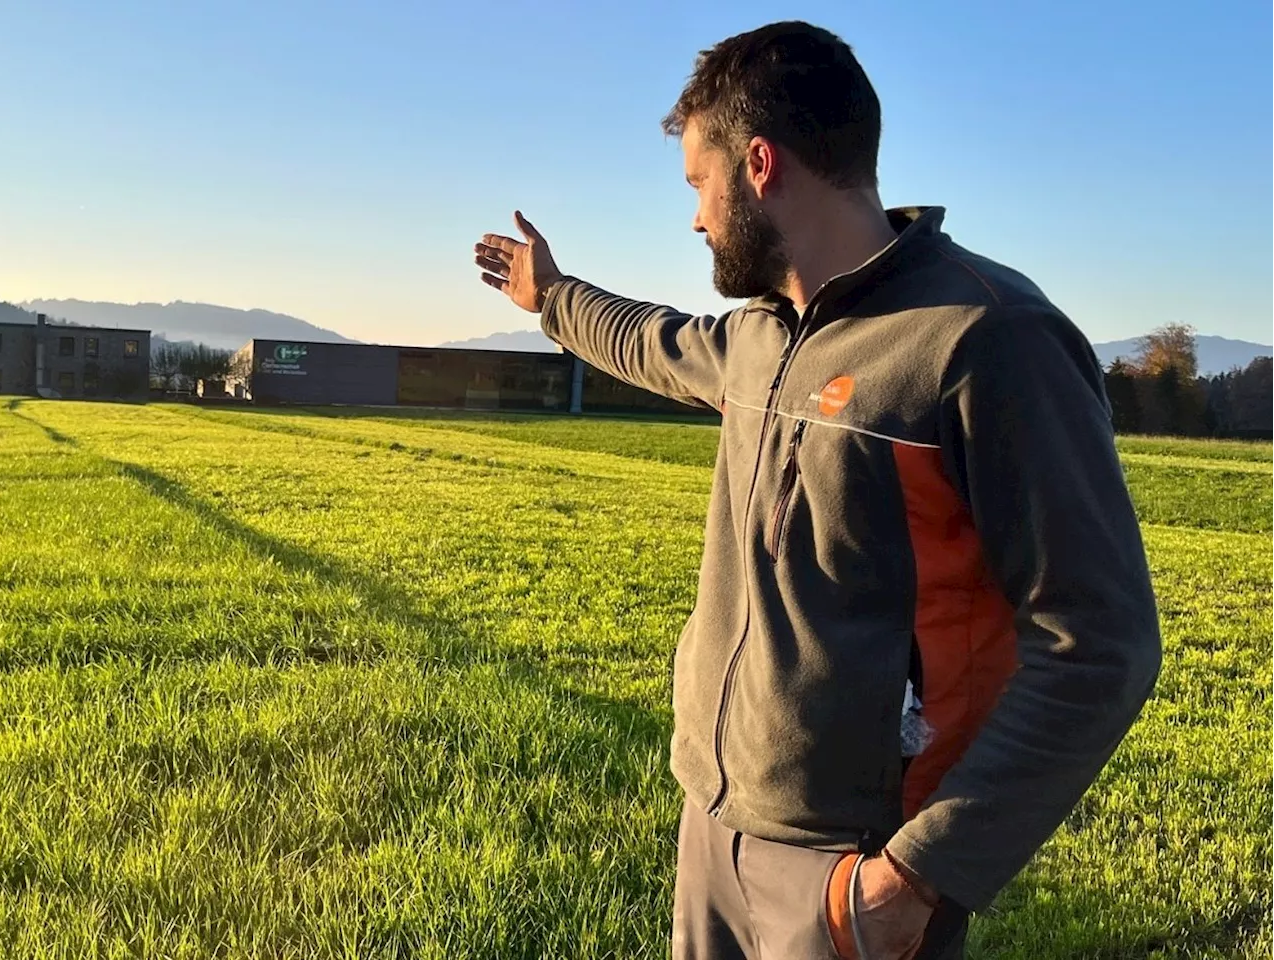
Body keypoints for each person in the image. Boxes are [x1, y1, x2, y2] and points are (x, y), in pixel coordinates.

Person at [472, 20, 1161, 960]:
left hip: (854, 873)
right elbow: (649, 340)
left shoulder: (985, 342)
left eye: (697, 184)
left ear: (759, 165)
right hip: (712, 824)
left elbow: (1101, 643)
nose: (695, 218)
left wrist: (914, 876)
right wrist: (551, 296)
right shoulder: (761, 335)